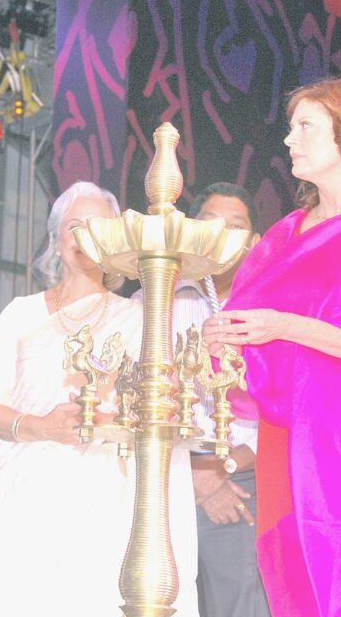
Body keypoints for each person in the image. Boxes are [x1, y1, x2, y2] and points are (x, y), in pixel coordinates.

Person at [203, 75, 341, 615]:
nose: (289, 139)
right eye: (290, 127)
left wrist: (281, 324)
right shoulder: (285, 233)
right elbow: (251, 330)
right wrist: (226, 337)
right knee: (292, 587)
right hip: (289, 431)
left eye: (305, 125)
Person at [0, 181, 199, 617]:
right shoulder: (20, 314)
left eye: (99, 227)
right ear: (56, 240)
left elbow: (156, 415)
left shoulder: (138, 320)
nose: (86, 236)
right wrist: (42, 427)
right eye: (75, 226)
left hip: (105, 500)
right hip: (26, 499)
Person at [135, 183, 270, 616]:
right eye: (212, 225)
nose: (225, 235)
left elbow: (290, 408)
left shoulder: (274, 314)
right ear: (192, 233)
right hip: (158, 482)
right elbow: (133, 400)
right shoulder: (154, 303)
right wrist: (192, 474)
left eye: (237, 227)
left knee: (239, 606)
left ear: (253, 241)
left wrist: (218, 470)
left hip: (242, 480)